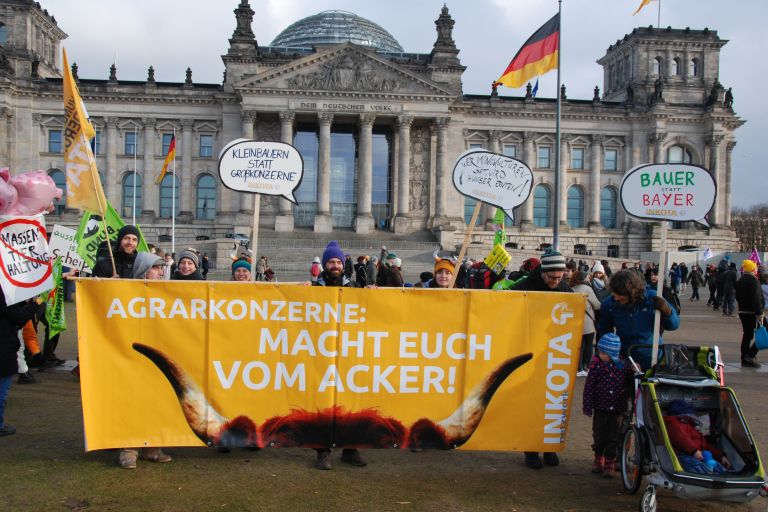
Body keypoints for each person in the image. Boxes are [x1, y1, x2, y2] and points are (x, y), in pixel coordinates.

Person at [511, 249, 570, 470]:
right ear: (542, 272)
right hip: (529, 351)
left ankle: (549, 446)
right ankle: (531, 449)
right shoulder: (525, 285)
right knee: (531, 403)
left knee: (553, 402)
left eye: (559, 277)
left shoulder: (565, 288)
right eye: (552, 277)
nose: (556, 281)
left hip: (555, 353)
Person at [311, 241, 366, 470]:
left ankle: (349, 449)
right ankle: (322, 452)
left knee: (349, 401)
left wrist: (373, 295)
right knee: (321, 403)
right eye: (331, 262)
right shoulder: (314, 289)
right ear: (325, 265)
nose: (335, 265)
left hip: (347, 353)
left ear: (343, 265)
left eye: (338, 262)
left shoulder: (354, 287)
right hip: (321, 353)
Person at [117, 252, 173, 468]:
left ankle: (151, 447)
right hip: (132, 356)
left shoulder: (166, 292)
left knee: (155, 401)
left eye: (161, 269)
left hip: (157, 355)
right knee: (132, 402)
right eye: (156, 269)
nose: (161, 273)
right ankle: (128, 449)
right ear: (143, 270)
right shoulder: (125, 291)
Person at [598, 269, 680, 370]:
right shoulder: (609, 304)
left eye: (621, 296)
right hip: (625, 359)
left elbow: (674, 325)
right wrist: (607, 351)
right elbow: (604, 330)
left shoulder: (652, 298)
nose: (616, 299)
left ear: (633, 292)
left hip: (652, 357)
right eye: (614, 294)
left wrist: (667, 311)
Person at [583, 333, 632, 477]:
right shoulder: (596, 367)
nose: (600, 354)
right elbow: (589, 388)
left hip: (617, 409)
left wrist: (635, 370)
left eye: (603, 352)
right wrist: (587, 406)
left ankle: (610, 461)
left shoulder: (623, 367)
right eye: (599, 351)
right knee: (599, 436)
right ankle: (598, 457)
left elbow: (631, 380)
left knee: (614, 437)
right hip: (600, 408)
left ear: (612, 353)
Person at [0, 295, 40, 436]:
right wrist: (34, 304)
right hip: (4, 347)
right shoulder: (4, 292)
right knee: (2, 390)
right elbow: (18, 317)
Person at [663, 399, 730, 475]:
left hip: (698, 455)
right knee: (701, 468)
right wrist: (694, 451)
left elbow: (704, 445)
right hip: (684, 456)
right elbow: (681, 439)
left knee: (719, 468)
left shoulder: (690, 426)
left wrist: (720, 456)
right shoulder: (674, 423)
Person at [570, 271, 601, 376]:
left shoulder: (572, 288)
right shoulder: (587, 289)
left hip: (575, 321)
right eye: (588, 276)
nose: (590, 278)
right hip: (587, 322)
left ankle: (578, 368)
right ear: (584, 278)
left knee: (579, 346)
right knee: (588, 345)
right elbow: (597, 305)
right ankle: (586, 366)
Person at [735, 259, 764, 368]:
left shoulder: (741, 280)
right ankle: (751, 354)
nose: (756, 268)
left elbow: (737, 296)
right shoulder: (753, 280)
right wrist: (759, 313)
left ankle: (744, 358)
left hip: (742, 311)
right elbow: (756, 298)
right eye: (755, 267)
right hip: (753, 312)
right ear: (752, 269)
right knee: (765, 331)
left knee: (747, 335)